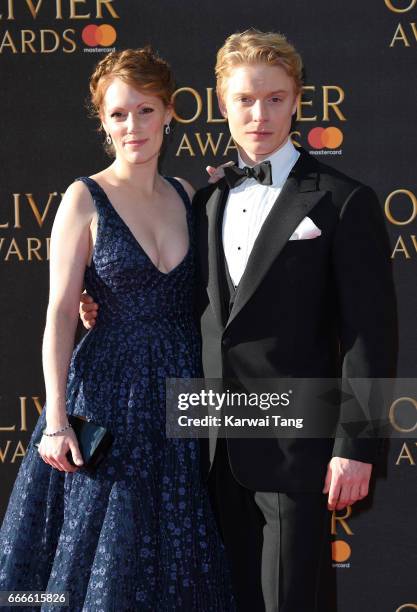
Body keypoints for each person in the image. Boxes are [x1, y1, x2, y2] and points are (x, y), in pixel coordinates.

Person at [80, 31, 398, 612]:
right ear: (221, 104)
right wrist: (102, 301)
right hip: (206, 445)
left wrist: (356, 445)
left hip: (297, 444)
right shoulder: (204, 200)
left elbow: (369, 333)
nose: (260, 115)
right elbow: (175, 295)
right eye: (246, 100)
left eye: (275, 99)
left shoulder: (343, 200)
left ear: (298, 100)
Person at [0, 48, 235, 611]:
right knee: (108, 547)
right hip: (110, 394)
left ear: (170, 113)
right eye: (118, 115)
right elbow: (60, 311)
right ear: (103, 121)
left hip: (185, 393)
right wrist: (55, 418)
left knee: (182, 544)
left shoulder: (188, 195)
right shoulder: (84, 197)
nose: (133, 127)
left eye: (146, 111)